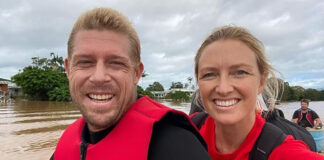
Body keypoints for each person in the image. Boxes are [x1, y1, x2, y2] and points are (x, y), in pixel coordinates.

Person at [51, 8, 211, 160]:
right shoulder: (67, 143)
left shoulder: (177, 145)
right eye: (85, 62)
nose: (99, 77)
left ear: (136, 73)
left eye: (115, 63)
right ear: (68, 70)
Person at [192, 26, 324, 159]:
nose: (223, 89)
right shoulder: (184, 129)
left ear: (261, 82)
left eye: (240, 72)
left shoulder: (282, 152)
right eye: (209, 74)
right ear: (198, 81)